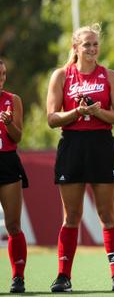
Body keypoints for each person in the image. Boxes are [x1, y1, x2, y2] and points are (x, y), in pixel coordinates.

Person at [46, 23, 114, 292]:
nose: (92, 49)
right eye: (87, 44)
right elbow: (51, 118)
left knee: (107, 213)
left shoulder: (110, 76)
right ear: (75, 48)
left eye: (95, 44)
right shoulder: (61, 76)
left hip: (101, 145)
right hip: (72, 145)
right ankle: (63, 275)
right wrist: (76, 113)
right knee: (71, 216)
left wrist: (97, 112)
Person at [0, 59, 28, 293]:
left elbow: (17, 137)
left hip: (7, 162)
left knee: (13, 224)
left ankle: (18, 277)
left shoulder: (13, 100)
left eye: (3, 74)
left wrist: (9, 124)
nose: (1, 78)